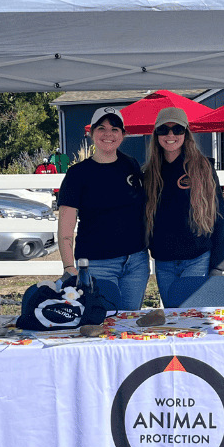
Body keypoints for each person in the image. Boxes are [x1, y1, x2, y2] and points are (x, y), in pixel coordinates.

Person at [56, 107, 149, 309]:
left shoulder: (131, 165)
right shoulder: (78, 174)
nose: (108, 134)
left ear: (123, 134)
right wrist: (69, 266)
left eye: (115, 129)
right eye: (102, 128)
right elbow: (65, 227)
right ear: (91, 133)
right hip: (97, 265)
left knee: (130, 322)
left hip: (136, 262)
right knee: (103, 325)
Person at [142, 107, 224, 301]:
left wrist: (218, 265)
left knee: (193, 314)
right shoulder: (149, 174)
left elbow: (220, 217)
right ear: (156, 134)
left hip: (197, 258)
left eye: (177, 129)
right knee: (173, 317)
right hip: (164, 261)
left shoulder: (202, 168)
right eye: (163, 129)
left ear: (186, 133)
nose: (170, 134)